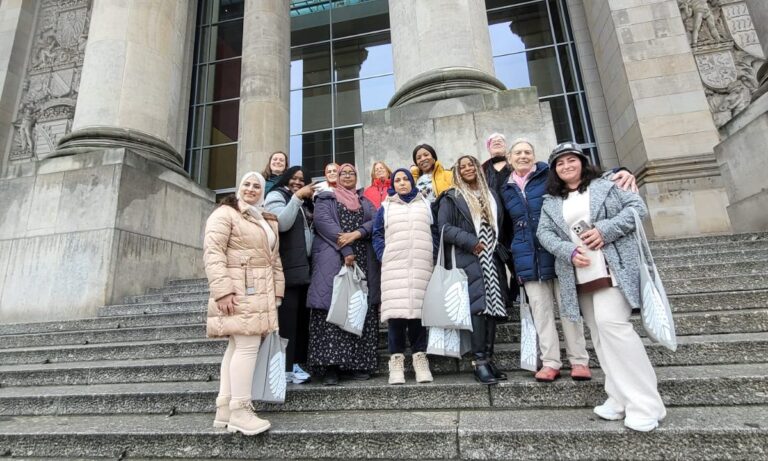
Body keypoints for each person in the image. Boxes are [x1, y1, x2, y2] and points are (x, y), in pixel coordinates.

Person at [537, 142, 666, 432]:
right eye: (560, 163)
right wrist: (567, 250)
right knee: (599, 336)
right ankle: (618, 397)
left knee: (614, 328)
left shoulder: (606, 184)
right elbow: (544, 233)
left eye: (571, 160)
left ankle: (646, 404)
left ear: (582, 162)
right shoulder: (551, 201)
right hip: (579, 275)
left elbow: (637, 208)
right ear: (555, 171)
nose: (567, 166)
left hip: (612, 269)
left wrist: (604, 231)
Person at [500, 138, 637, 382]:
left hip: (559, 257)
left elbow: (585, 178)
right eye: (518, 153)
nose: (523, 156)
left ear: (534, 156)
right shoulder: (505, 188)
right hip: (526, 258)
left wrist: (620, 170)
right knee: (541, 313)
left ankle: (579, 360)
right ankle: (551, 361)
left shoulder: (548, 176)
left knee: (569, 309)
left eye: (527, 152)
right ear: (509, 159)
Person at [204, 171, 284, 436]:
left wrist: (277, 293)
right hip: (238, 290)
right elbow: (213, 253)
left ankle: (225, 407)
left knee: (236, 346)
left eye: (256, 186)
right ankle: (240, 409)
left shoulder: (264, 218)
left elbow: (274, 259)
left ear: (262, 192)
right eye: (246, 184)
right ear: (239, 188)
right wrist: (223, 290)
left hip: (260, 291)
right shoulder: (225, 213)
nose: (251, 188)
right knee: (247, 346)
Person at [306, 163, 381, 385]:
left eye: (352, 173)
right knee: (333, 309)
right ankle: (331, 367)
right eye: (343, 173)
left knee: (359, 307)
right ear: (336, 177)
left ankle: (360, 363)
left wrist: (357, 233)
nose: (348, 176)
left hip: (363, 262)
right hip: (335, 259)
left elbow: (375, 221)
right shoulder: (326, 199)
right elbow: (324, 224)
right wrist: (347, 249)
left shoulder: (365, 201)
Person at [437, 155, 508, 385]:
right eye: (462, 166)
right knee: (479, 308)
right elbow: (444, 228)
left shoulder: (492, 195)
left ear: (479, 169)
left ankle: (489, 359)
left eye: (471, 165)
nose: (467, 169)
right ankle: (479, 362)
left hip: (491, 255)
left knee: (493, 309)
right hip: (470, 256)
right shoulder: (452, 197)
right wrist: (470, 241)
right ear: (457, 172)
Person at [372, 168, 437, 385]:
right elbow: (377, 234)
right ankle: (396, 362)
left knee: (419, 315)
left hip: (421, 265)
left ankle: (420, 360)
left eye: (405, 179)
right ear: (393, 184)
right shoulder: (386, 207)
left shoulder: (425, 204)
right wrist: (384, 255)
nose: (401, 183)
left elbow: (435, 231)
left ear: (412, 182)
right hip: (394, 267)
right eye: (397, 180)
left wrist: (433, 254)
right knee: (396, 317)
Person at [264, 166, 316, 384]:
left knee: (301, 320)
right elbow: (282, 224)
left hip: (305, 268)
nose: (297, 182)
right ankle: (282, 367)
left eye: (302, 180)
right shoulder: (277, 195)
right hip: (286, 267)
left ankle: (295, 364)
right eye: (294, 178)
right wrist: (296, 198)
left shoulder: (306, 202)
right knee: (287, 320)